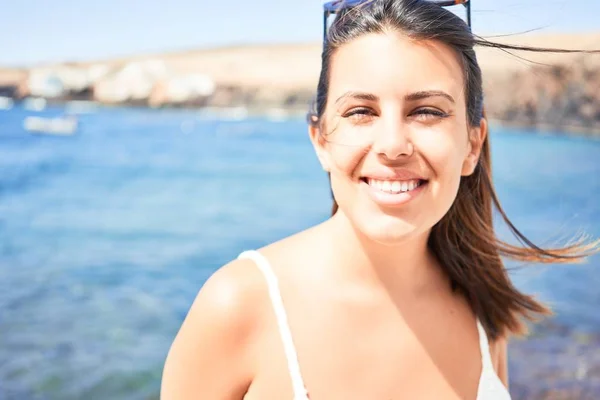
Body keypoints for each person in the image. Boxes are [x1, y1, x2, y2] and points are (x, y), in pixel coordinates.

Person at [161, 0, 599, 398]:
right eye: (361, 112)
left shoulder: (483, 308)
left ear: (472, 143)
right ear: (321, 140)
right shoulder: (239, 305)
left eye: (426, 110)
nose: (393, 145)